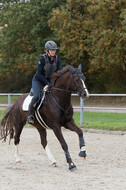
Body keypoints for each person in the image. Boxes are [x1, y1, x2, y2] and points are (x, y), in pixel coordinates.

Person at [27, 40, 62, 124]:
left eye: (54, 50)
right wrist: (47, 83)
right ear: (47, 50)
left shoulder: (57, 59)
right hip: (38, 80)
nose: (53, 51)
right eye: (51, 50)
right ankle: (30, 115)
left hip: (49, 80)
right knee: (36, 97)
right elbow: (39, 74)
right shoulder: (42, 59)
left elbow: (59, 72)